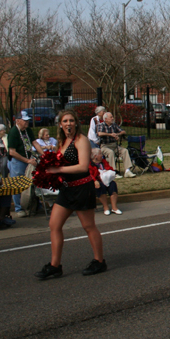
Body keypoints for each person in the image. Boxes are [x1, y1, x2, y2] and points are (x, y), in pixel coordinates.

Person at [35, 110, 107, 279]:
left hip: (82, 188)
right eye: (65, 121)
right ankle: (55, 265)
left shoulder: (81, 140)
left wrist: (57, 169)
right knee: (54, 225)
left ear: (76, 123)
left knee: (88, 226)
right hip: (67, 189)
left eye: (71, 120)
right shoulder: (62, 141)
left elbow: (83, 167)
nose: (68, 124)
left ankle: (99, 261)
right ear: (60, 124)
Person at [8, 116, 43, 217]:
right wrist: (27, 160)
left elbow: (34, 142)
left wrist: (43, 155)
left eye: (28, 120)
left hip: (28, 159)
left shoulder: (27, 130)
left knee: (31, 182)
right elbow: (12, 152)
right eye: (24, 120)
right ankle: (19, 208)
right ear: (18, 121)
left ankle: (34, 205)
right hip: (18, 160)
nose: (27, 122)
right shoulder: (14, 132)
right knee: (18, 183)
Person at [97, 112, 136, 178]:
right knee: (111, 153)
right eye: (111, 117)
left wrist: (117, 135)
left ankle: (127, 171)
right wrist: (110, 134)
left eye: (112, 117)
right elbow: (99, 133)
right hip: (105, 146)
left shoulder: (114, 125)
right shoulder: (101, 125)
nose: (112, 118)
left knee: (124, 151)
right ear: (106, 119)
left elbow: (123, 131)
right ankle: (113, 172)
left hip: (114, 145)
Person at [91, 148, 121, 216]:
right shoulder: (90, 164)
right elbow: (90, 174)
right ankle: (106, 207)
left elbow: (110, 168)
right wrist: (95, 181)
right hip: (97, 181)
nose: (102, 155)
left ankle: (114, 207)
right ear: (95, 156)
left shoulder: (103, 162)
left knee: (113, 184)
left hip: (106, 179)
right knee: (100, 187)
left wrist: (109, 172)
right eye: (100, 154)